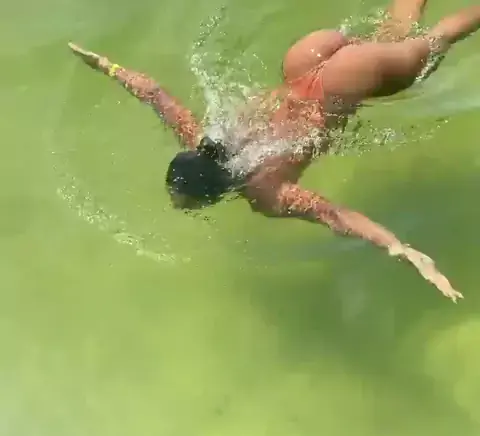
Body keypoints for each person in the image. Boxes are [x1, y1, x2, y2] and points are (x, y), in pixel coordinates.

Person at [68, 0, 480, 302]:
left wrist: (398, 247)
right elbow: (155, 94)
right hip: (306, 58)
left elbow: (334, 215)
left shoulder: (264, 194)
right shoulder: (201, 138)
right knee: (394, 33)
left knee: (438, 39)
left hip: (343, 84)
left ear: (219, 194)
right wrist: (106, 66)